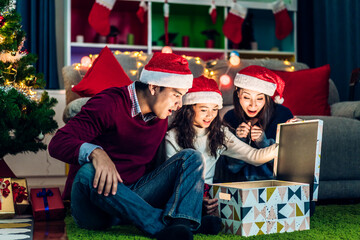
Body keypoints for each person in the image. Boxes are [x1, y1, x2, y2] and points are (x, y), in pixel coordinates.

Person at [48, 52, 220, 240]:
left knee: (192, 157)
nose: (179, 105)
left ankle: (183, 222)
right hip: (96, 206)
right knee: (87, 172)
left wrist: (189, 199)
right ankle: (161, 227)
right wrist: (96, 153)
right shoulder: (109, 103)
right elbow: (57, 143)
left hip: (134, 197)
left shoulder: (160, 117)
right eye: (176, 95)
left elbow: (156, 171)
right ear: (154, 87)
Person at [165, 75, 279, 215]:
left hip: (210, 196)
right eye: (203, 110)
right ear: (189, 109)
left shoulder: (219, 133)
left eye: (214, 109)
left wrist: (289, 141)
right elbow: (170, 179)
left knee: (215, 223)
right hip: (181, 191)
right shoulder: (173, 136)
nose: (210, 115)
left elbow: (254, 156)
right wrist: (197, 198)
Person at [214, 65, 294, 183]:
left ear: (267, 98)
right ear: (238, 94)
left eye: (259, 99)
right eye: (247, 97)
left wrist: (264, 143)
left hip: (273, 185)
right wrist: (239, 141)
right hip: (239, 185)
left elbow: (288, 165)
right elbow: (231, 168)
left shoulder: (282, 114)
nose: (253, 105)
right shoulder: (230, 117)